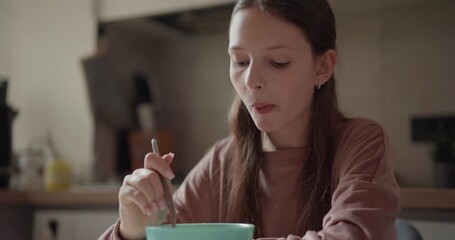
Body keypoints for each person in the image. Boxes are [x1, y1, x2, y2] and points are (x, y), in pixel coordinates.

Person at [99, 0, 400, 239]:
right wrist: (132, 230)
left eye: (278, 62)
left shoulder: (362, 143)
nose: (251, 80)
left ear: (322, 67)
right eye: (239, 61)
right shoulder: (222, 162)